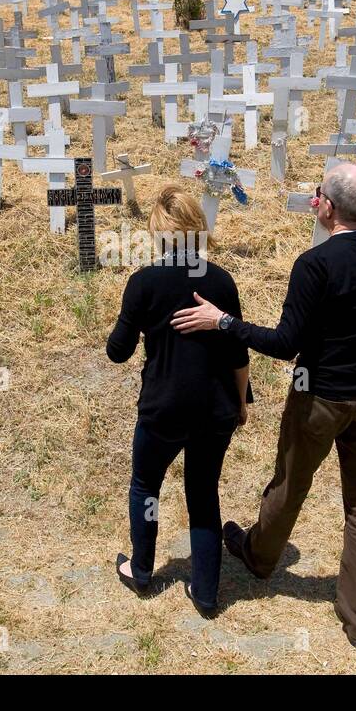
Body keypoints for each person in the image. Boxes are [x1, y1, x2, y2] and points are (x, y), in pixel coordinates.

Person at [170, 162, 356, 646]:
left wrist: (223, 322)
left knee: (291, 481)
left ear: (325, 205)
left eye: (318, 192)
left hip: (321, 395)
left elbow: (285, 343)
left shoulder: (315, 264)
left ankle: (260, 557)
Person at [106, 187, 250, 617]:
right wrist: (242, 403)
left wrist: (133, 318)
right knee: (203, 493)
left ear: (159, 234)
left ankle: (143, 569)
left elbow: (118, 351)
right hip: (215, 406)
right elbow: (237, 354)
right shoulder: (222, 281)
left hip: (164, 405)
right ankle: (205, 593)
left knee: (146, 486)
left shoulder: (144, 282)